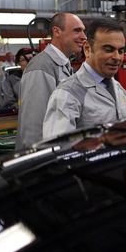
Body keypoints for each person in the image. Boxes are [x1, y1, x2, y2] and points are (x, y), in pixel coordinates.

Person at [43, 17, 126, 140]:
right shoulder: (67, 95)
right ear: (87, 49)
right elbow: (57, 149)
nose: (117, 57)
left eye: (121, 51)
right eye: (108, 49)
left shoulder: (120, 90)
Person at [15, 12, 86, 150]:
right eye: (77, 30)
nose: (84, 37)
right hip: (42, 159)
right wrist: (41, 162)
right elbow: (34, 126)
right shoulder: (41, 67)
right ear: (57, 31)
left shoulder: (64, 65)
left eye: (84, 31)